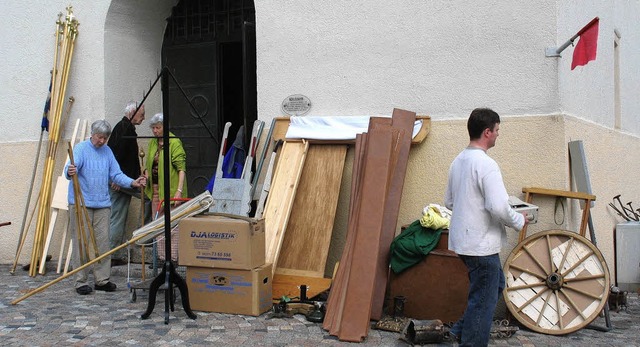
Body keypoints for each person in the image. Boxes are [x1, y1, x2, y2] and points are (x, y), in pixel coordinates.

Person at [444, 108, 527, 346]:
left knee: (494, 285)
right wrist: (520, 220)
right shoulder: (487, 165)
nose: (499, 135)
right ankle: (470, 342)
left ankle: (458, 331)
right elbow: (499, 207)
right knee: (483, 300)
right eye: (497, 130)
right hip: (481, 245)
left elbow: (449, 201)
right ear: (487, 132)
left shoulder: (458, 161)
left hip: (463, 241)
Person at [64, 120, 146, 295]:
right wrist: (70, 171)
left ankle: (102, 279)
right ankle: (81, 281)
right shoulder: (80, 149)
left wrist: (132, 182)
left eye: (105, 138)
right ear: (92, 134)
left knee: (103, 243)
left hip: (102, 204)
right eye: (99, 137)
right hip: (81, 204)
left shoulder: (107, 152)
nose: (101, 141)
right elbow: (70, 168)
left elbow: (115, 174)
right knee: (82, 243)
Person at [107, 101, 151, 266]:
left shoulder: (124, 127)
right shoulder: (124, 128)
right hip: (124, 181)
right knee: (148, 198)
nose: (143, 118)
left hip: (125, 179)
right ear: (132, 112)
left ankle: (114, 253)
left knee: (118, 215)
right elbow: (114, 155)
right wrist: (115, 179)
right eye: (141, 115)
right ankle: (144, 234)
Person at [143, 113, 187, 263]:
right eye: (153, 128)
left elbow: (181, 169)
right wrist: (146, 176)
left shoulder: (174, 142)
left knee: (172, 225)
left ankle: (172, 258)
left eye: (158, 128)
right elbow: (150, 164)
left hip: (171, 190)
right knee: (158, 225)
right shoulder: (153, 143)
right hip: (155, 190)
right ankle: (162, 257)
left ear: (165, 127)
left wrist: (179, 192)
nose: (155, 131)